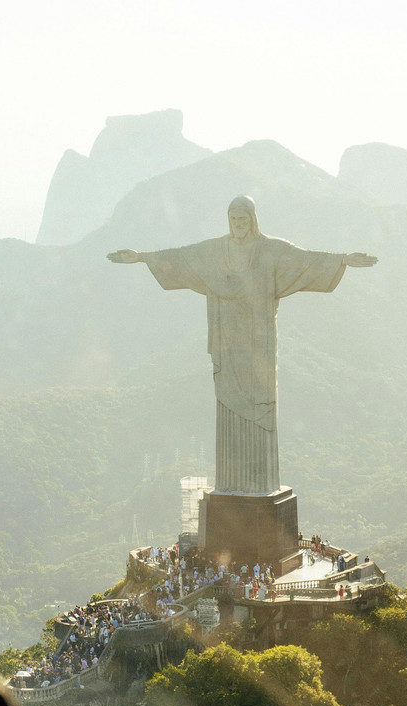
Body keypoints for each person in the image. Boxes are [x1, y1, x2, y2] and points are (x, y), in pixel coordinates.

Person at [108, 196, 377, 493]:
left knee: (260, 401)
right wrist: (143, 257)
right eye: (233, 220)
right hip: (228, 341)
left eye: (243, 220)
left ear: (252, 220)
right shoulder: (216, 250)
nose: (238, 225)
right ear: (228, 221)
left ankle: (259, 485)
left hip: (259, 342)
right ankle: (231, 485)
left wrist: (342, 260)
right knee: (228, 401)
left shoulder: (270, 250)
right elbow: (183, 257)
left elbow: (304, 260)